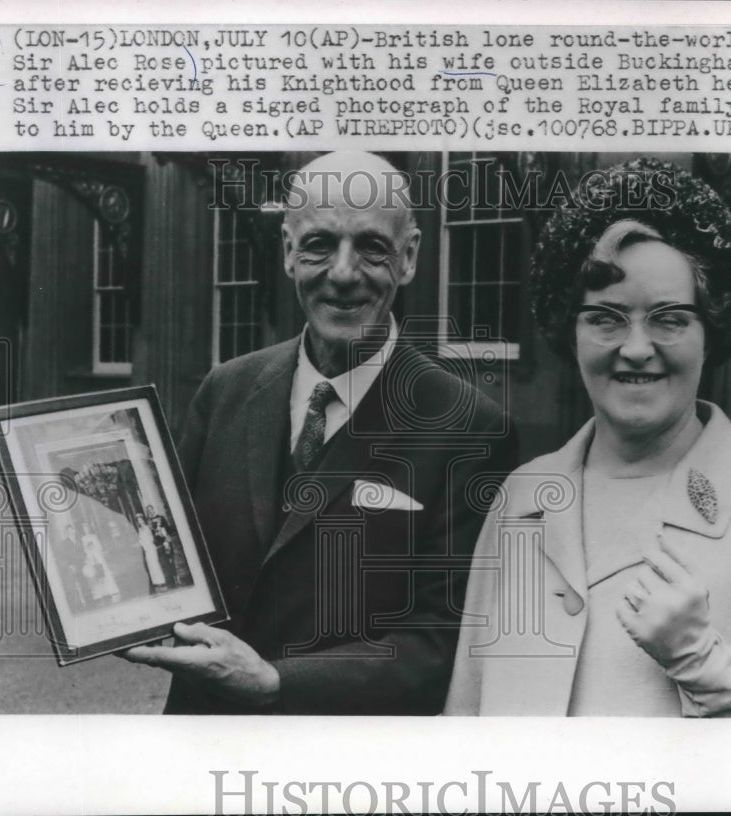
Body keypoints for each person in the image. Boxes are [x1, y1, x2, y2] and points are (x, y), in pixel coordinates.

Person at [445, 158, 731, 717]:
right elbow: (464, 718)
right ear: (569, 330)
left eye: (670, 318)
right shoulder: (521, 498)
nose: (637, 348)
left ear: (711, 330)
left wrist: (708, 663)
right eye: (605, 317)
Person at [124, 151, 515, 714]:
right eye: (319, 244)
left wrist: (276, 682)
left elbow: (439, 642)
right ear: (288, 251)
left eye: (372, 247)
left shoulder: (470, 428)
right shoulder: (225, 390)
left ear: (408, 258)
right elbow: (170, 560)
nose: (343, 273)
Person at [135, 513, 168, 593]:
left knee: (155, 564)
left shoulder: (146, 528)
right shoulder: (140, 530)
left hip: (150, 548)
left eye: (141, 519)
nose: (140, 521)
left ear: (143, 520)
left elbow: (151, 538)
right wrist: (140, 544)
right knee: (151, 565)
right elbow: (141, 540)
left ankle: (161, 581)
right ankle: (156, 582)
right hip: (146, 549)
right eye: (138, 520)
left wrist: (145, 544)